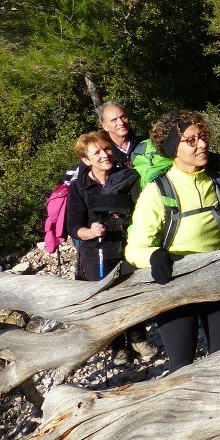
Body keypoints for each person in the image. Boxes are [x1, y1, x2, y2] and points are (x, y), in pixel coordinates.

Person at [125, 110, 220, 373]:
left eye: (203, 137)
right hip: (176, 284)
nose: (202, 144)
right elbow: (135, 247)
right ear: (173, 148)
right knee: (182, 366)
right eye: (190, 140)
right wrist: (154, 256)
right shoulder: (158, 190)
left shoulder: (217, 181)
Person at [65, 131, 158, 364]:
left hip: (128, 244)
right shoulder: (79, 187)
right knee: (108, 298)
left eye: (106, 149)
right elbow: (74, 226)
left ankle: (137, 338)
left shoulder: (128, 176)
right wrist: (90, 231)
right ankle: (117, 347)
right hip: (96, 250)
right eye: (96, 153)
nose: (105, 155)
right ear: (86, 160)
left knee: (133, 292)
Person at [100, 101, 144, 168]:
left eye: (123, 117)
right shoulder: (102, 153)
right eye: (114, 120)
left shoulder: (144, 143)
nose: (121, 123)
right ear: (105, 126)